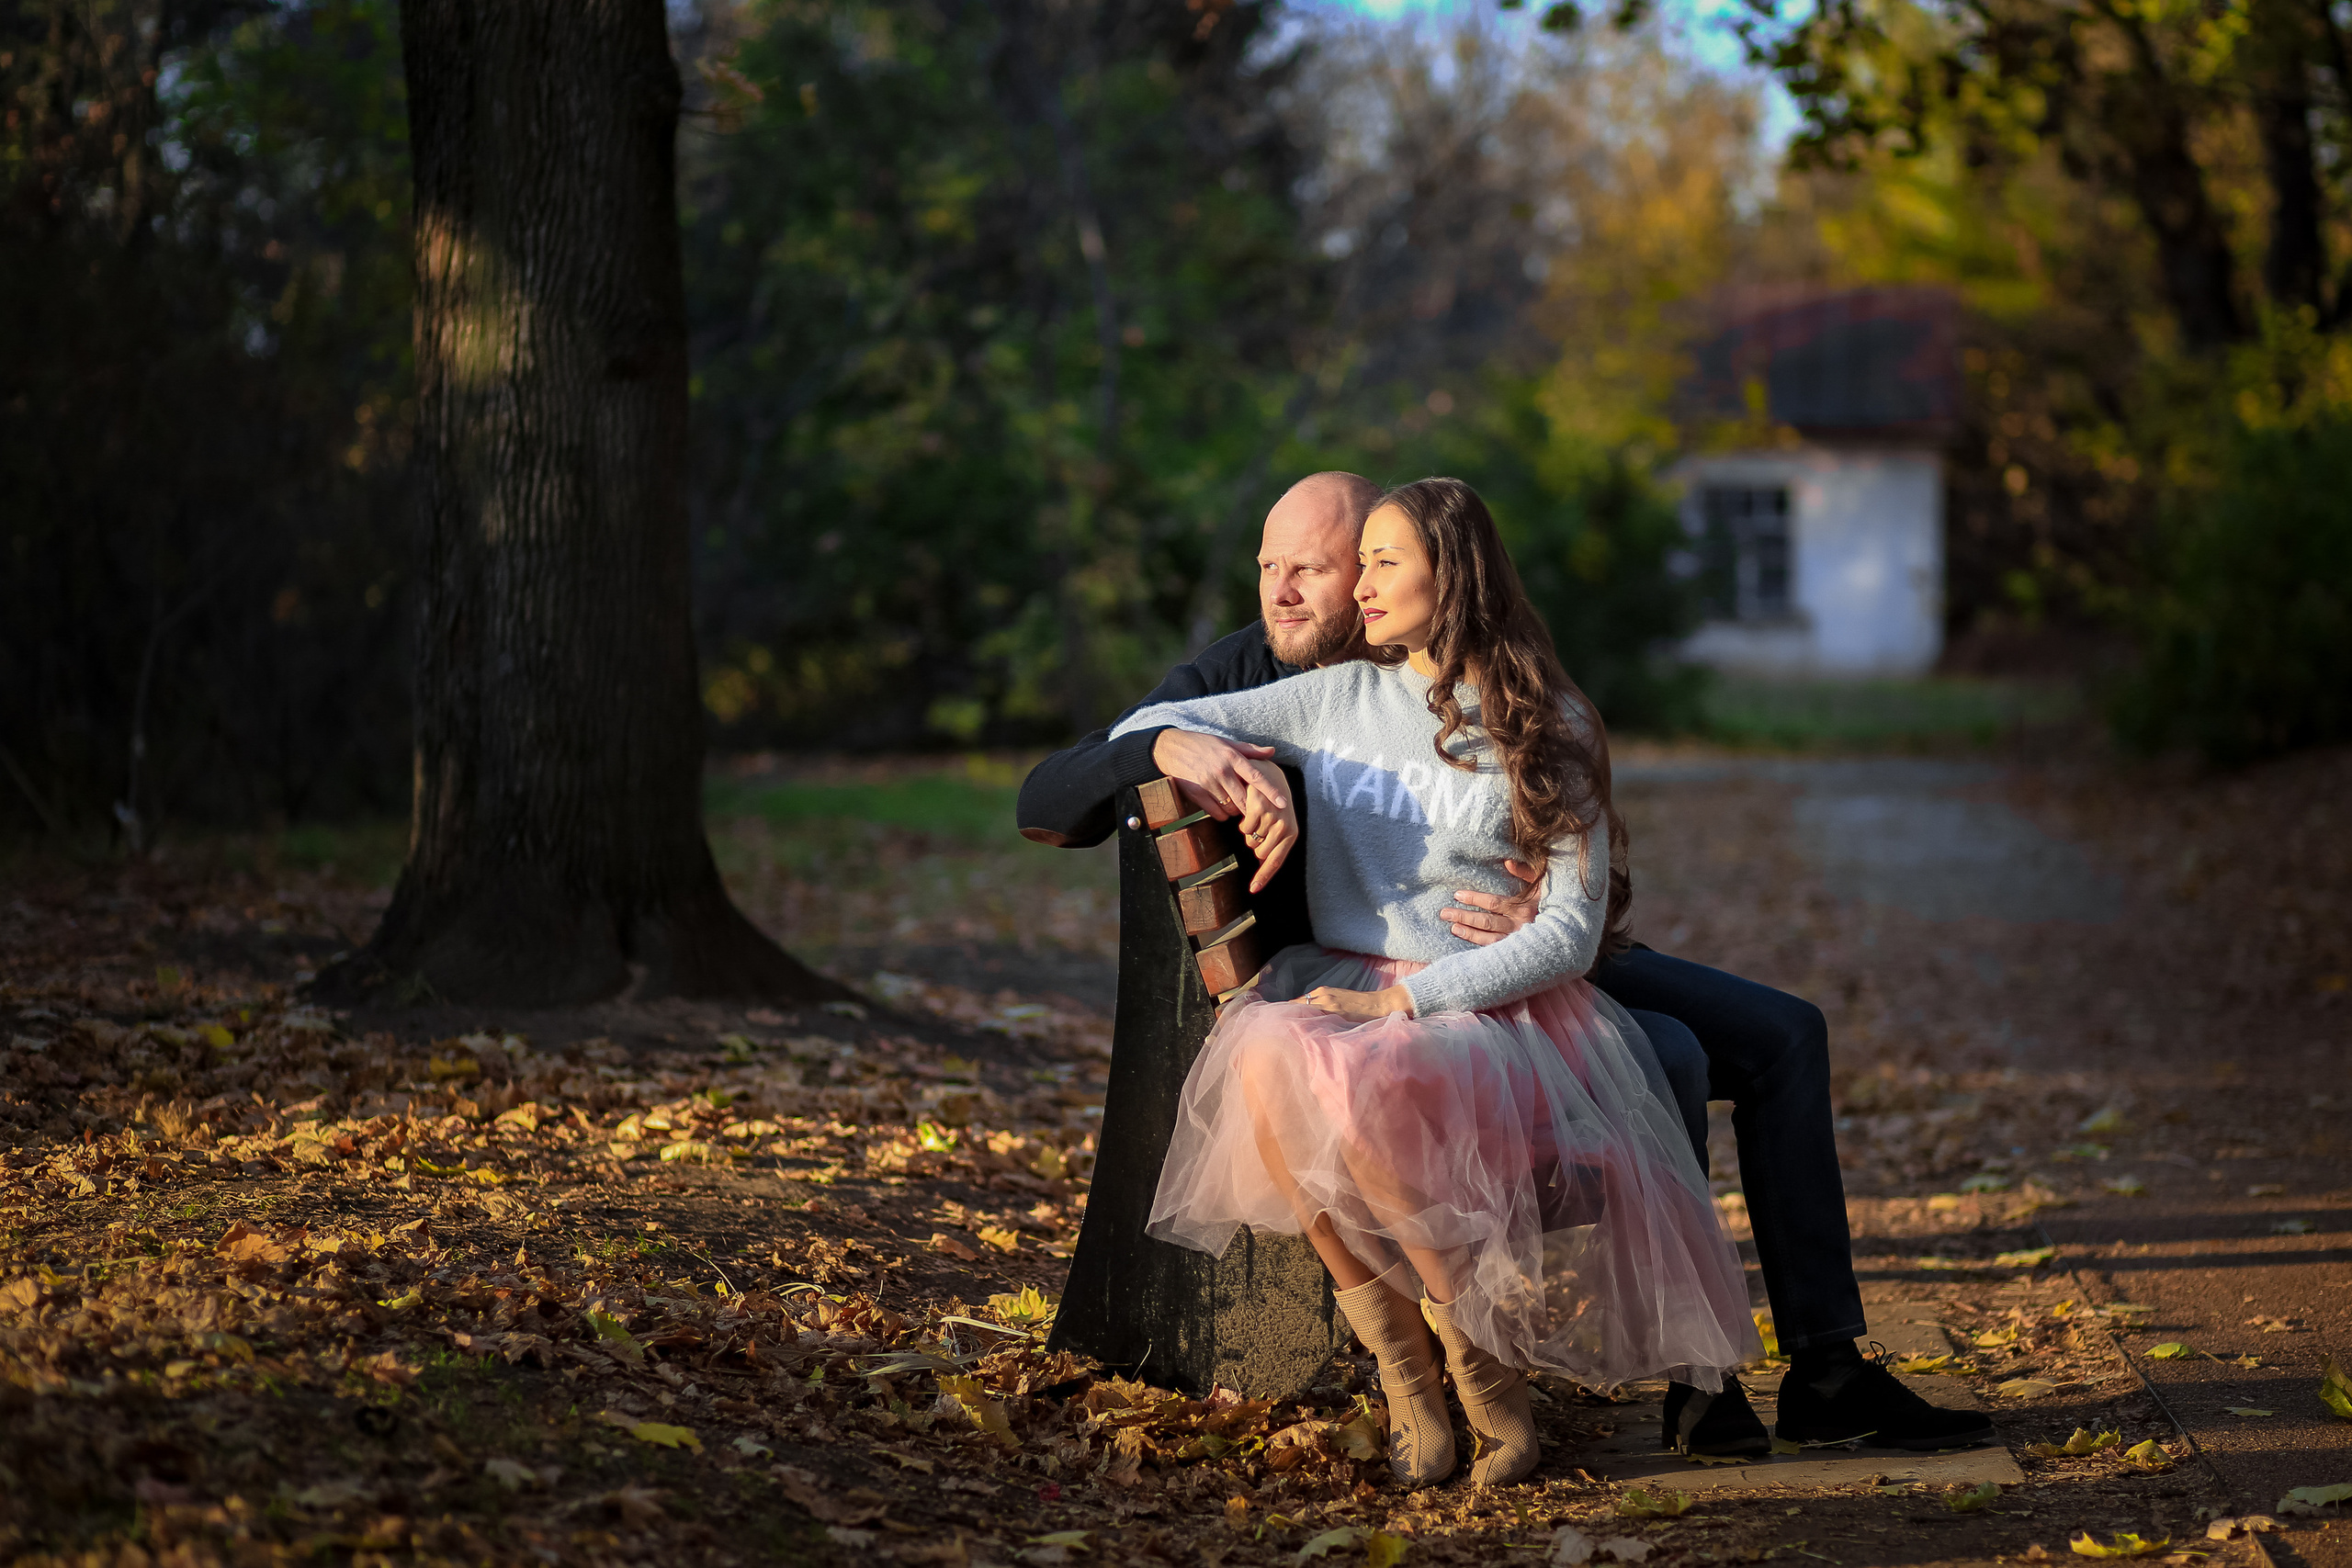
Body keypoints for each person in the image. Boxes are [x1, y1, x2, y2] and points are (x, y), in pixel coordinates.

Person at [1018, 471, 1997, 1461]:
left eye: (1318, 568)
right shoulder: (1278, 676)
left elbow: (1566, 862)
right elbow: (1060, 785)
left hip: (1520, 954)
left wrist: (1548, 902)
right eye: (1271, 567)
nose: (1288, 592)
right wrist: (1186, 744)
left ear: (1397, 562)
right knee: (1672, 1058)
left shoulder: (1508, 684)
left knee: (1785, 1031)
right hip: (1384, 976)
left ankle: (1826, 1369)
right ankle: (1699, 1383)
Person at [1101, 477, 1757, 1487]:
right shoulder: (1333, 697)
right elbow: (1132, 733)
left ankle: (1488, 1386)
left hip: (1482, 1007)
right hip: (1337, 985)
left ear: (1449, 576)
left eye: (1382, 562)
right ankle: (1409, 1382)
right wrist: (1184, 743)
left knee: (1382, 1073)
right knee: (1273, 1051)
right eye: (1355, 562)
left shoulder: (1551, 725)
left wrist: (1401, 1001)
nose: (1357, 586)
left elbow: (1571, 936)